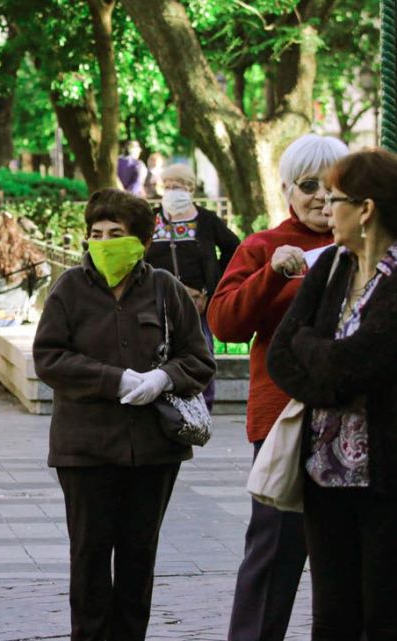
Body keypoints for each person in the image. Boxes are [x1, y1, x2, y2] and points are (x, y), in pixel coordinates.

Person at [33, 189, 215, 641]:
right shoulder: (70, 288)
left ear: (140, 241)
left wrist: (163, 379)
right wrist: (112, 379)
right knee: (90, 557)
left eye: (116, 234)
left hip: (153, 449)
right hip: (85, 449)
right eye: (96, 234)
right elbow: (48, 357)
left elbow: (200, 359)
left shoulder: (165, 289)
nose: (104, 242)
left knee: (139, 556)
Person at [207, 133, 349, 641]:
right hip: (282, 422)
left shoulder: (367, 247)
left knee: (349, 559)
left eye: (333, 186)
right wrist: (270, 274)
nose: (320, 197)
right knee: (275, 551)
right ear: (287, 189)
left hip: (357, 422)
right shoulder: (263, 246)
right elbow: (223, 323)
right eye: (308, 185)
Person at [266, 148, 397, 640]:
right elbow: (282, 355)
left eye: (334, 195)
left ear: (366, 209)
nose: (323, 203)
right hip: (324, 474)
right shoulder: (332, 268)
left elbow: (357, 363)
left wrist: (311, 347)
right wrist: (328, 371)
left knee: (382, 615)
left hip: (386, 481)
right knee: (331, 617)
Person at [144, 163, 240, 410]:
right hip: (159, 299)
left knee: (202, 350)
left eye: (178, 186)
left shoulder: (206, 220)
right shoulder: (151, 219)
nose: (172, 191)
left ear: (190, 188)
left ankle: (202, 404)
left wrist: (213, 286)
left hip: (198, 301)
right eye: (167, 186)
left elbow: (234, 247)